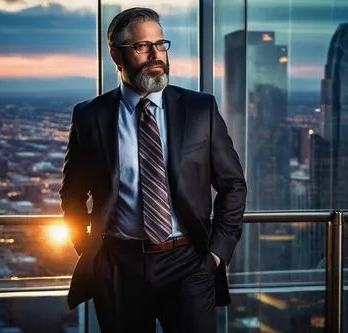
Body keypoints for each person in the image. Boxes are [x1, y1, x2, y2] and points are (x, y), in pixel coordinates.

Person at [60, 7, 246, 333]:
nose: (156, 54)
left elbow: (233, 184)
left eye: (160, 44)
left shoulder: (200, 109)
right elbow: (72, 195)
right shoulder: (90, 116)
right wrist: (88, 249)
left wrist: (216, 255)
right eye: (142, 46)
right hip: (119, 267)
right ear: (116, 55)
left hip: (189, 264)